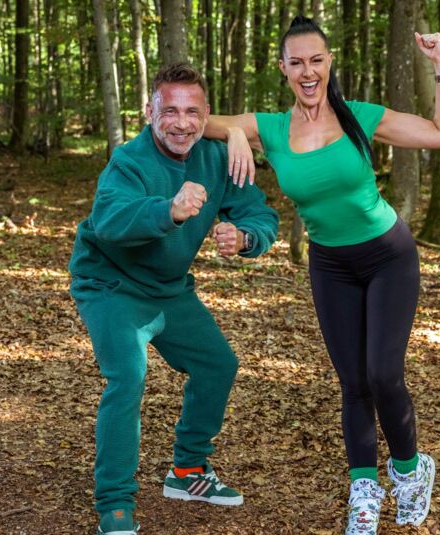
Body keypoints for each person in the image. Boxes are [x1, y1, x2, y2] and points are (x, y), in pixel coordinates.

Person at [205, 16, 440, 535]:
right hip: (331, 265)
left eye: (316, 60)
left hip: (388, 255)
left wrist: (439, 67)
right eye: (296, 62)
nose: (307, 71)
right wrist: (234, 130)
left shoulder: (359, 117)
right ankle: (363, 492)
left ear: (329, 63)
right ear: (283, 69)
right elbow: (196, 119)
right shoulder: (272, 128)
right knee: (353, 382)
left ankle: (410, 472)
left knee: (383, 374)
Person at [69, 62, 279, 535]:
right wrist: (169, 210)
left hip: (168, 289)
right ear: (150, 111)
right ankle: (115, 504)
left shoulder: (218, 155)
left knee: (217, 364)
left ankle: (188, 473)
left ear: (207, 117)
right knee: (128, 375)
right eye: (170, 110)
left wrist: (246, 238)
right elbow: (109, 220)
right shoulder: (129, 160)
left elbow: (260, 214)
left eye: (192, 111)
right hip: (111, 285)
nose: (181, 122)